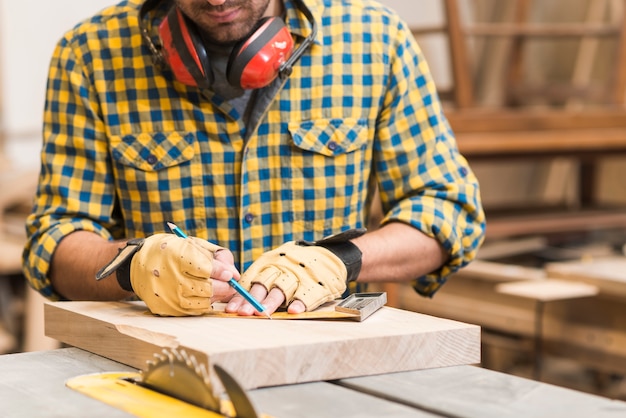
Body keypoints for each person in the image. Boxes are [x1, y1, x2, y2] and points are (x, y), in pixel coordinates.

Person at [23, 0, 485, 317]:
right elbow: (54, 243)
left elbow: (449, 211)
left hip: (325, 364)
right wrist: (133, 266)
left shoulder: (375, 40)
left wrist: (340, 260)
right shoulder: (90, 54)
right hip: (161, 370)